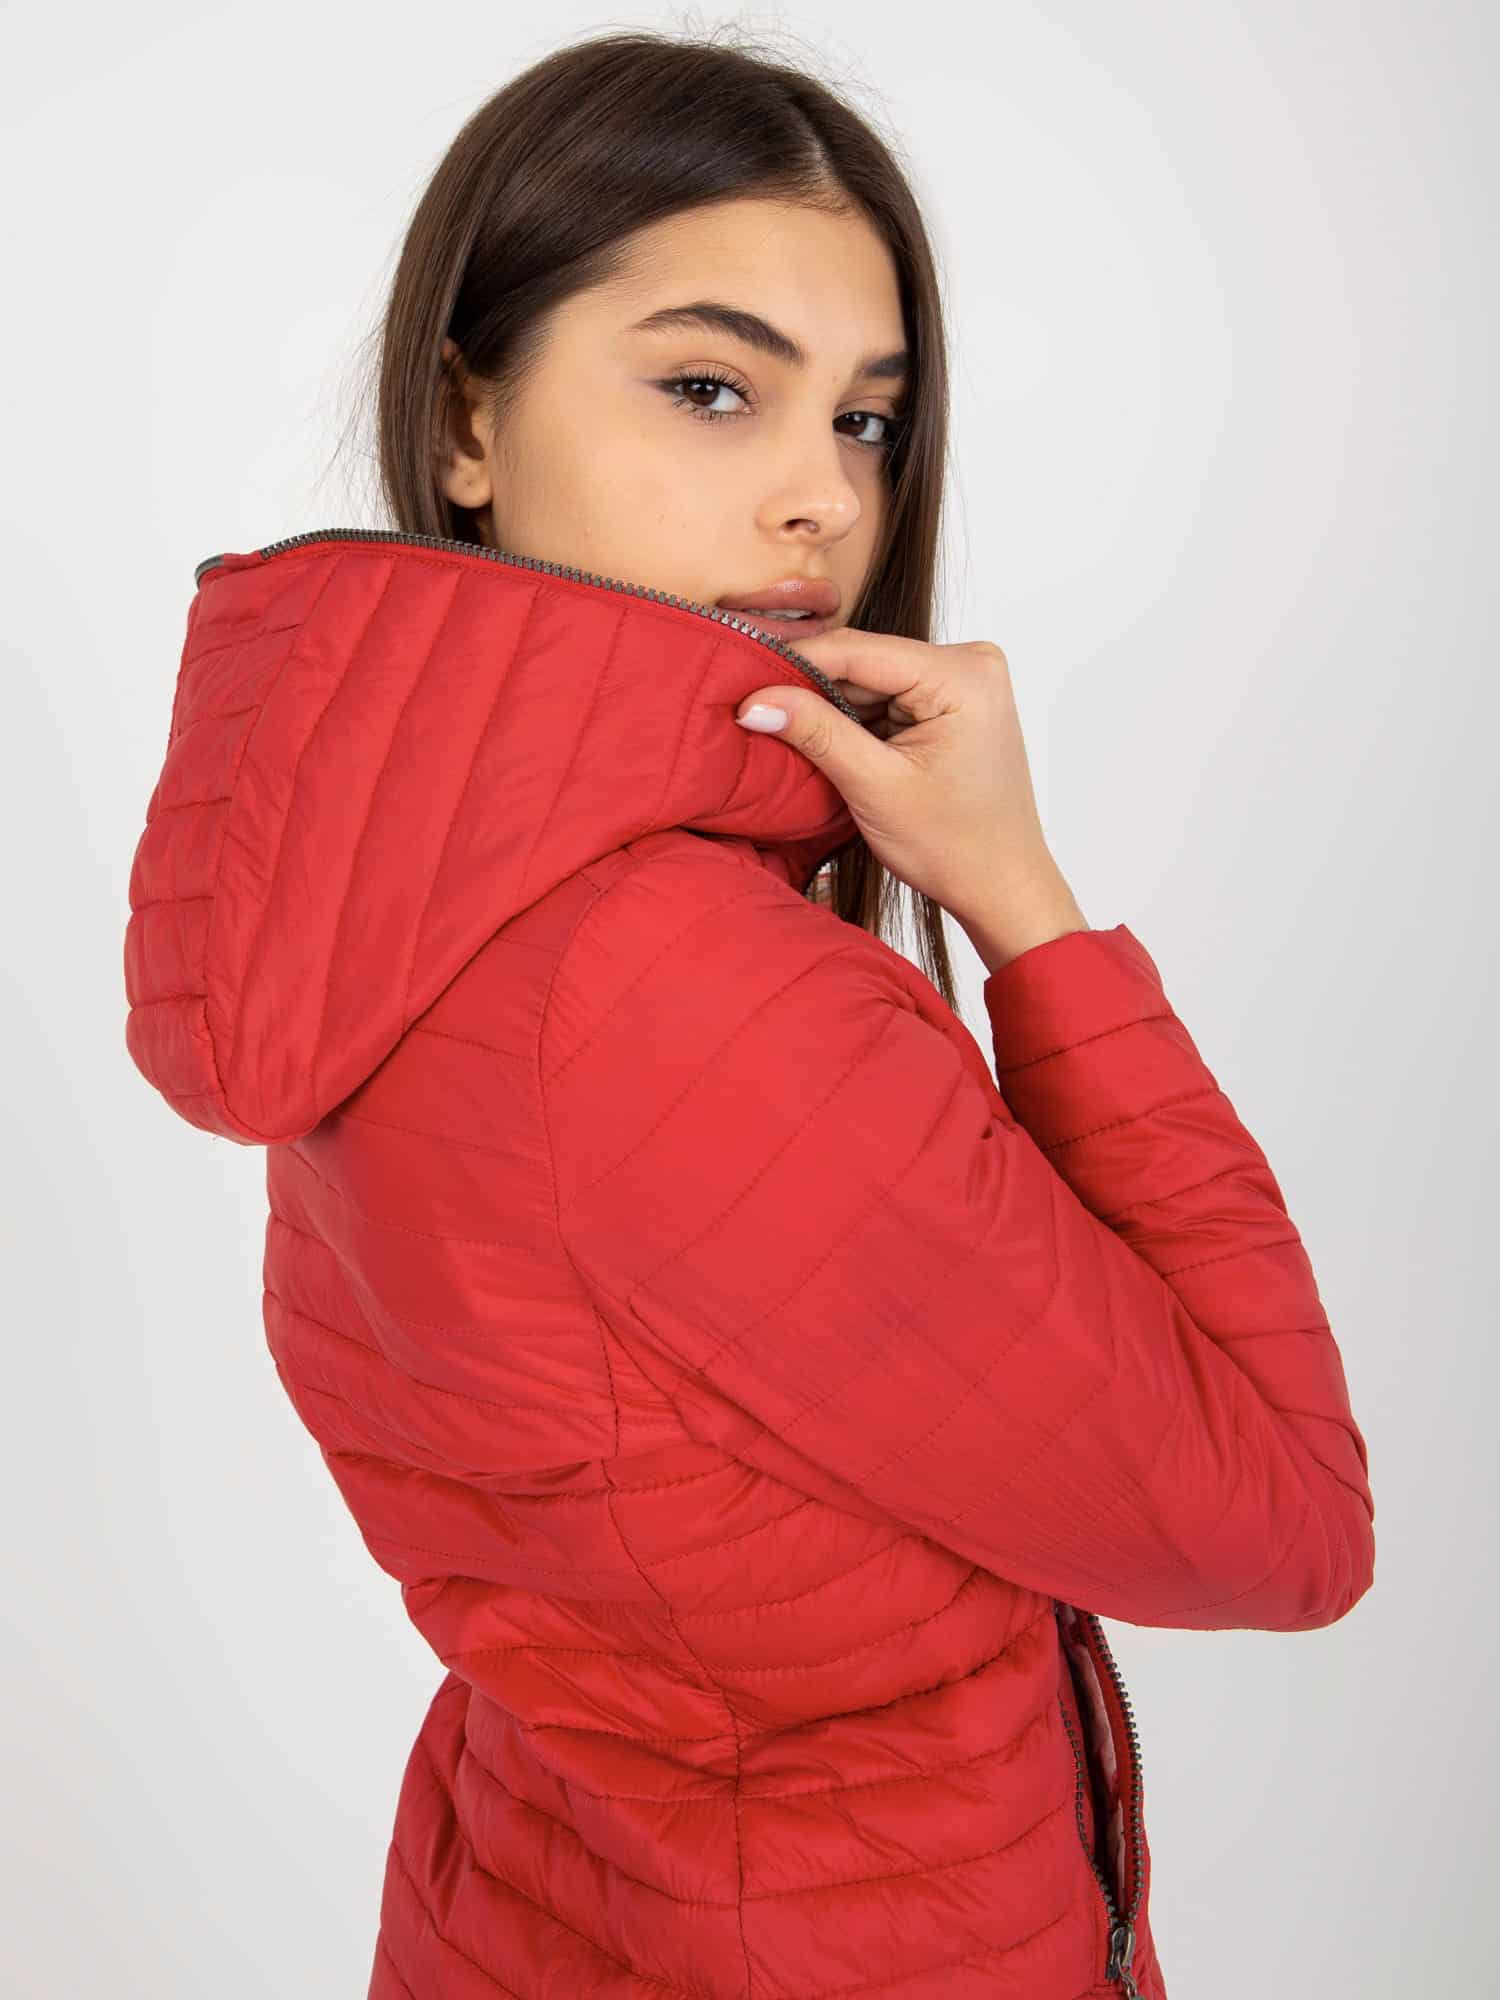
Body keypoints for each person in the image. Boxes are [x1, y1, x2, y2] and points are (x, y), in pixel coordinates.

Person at [121, 28, 1375, 2000]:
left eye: (868, 418)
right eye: (711, 388)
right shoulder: (677, 987)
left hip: (527, 1904)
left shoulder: (391, 899)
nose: (821, 499)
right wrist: (1027, 909)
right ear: (464, 418)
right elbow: (1281, 1520)